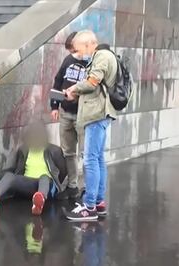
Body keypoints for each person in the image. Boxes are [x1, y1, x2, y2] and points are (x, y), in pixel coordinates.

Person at [64, 30, 117, 221]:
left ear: (88, 44)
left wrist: (73, 89)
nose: (79, 54)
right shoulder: (103, 55)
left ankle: (89, 206)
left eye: (79, 50)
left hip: (96, 114)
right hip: (99, 113)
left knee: (90, 160)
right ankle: (99, 203)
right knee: (98, 158)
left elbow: (93, 81)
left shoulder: (101, 56)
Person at [0, 122, 68, 215]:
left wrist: (57, 187)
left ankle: (40, 202)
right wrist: (16, 183)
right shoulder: (24, 150)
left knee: (44, 177)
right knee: (10, 176)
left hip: (47, 186)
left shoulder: (54, 150)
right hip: (29, 185)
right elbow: (19, 170)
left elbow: (64, 171)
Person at [51, 31, 90, 199]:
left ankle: (89, 188)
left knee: (87, 153)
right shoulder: (68, 61)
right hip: (66, 112)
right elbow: (58, 81)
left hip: (83, 114)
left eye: (75, 49)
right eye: (72, 50)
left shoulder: (92, 63)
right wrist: (54, 105)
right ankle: (72, 185)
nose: (73, 53)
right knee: (68, 152)